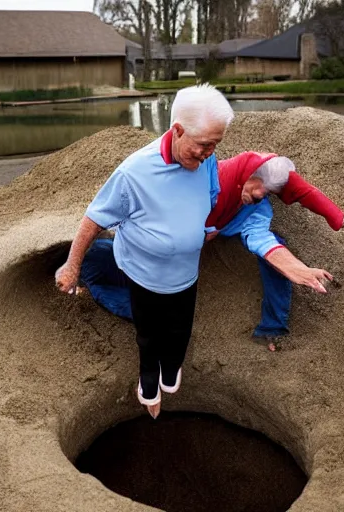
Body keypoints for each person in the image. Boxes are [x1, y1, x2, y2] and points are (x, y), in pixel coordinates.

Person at [55, 84, 234, 419]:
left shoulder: (207, 160)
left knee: (180, 329)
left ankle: (171, 372)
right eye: (204, 145)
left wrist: (202, 228)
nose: (210, 152)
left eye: (215, 145)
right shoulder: (134, 172)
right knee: (149, 333)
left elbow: (210, 194)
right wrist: (71, 265)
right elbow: (94, 218)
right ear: (178, 130)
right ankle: (148, 384)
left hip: (186, 273)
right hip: (143, 274)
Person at [203, 152, 344, 351]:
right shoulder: (220, 174)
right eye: (258, 188)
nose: (261, 194)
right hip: (201, 219)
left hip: (246, 216)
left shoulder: (269, 176)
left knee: (272, 251)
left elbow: (305, 192)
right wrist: (207, 229)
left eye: (266, 191)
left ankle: (272, 328)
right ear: (249, 175)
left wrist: (339, 218)